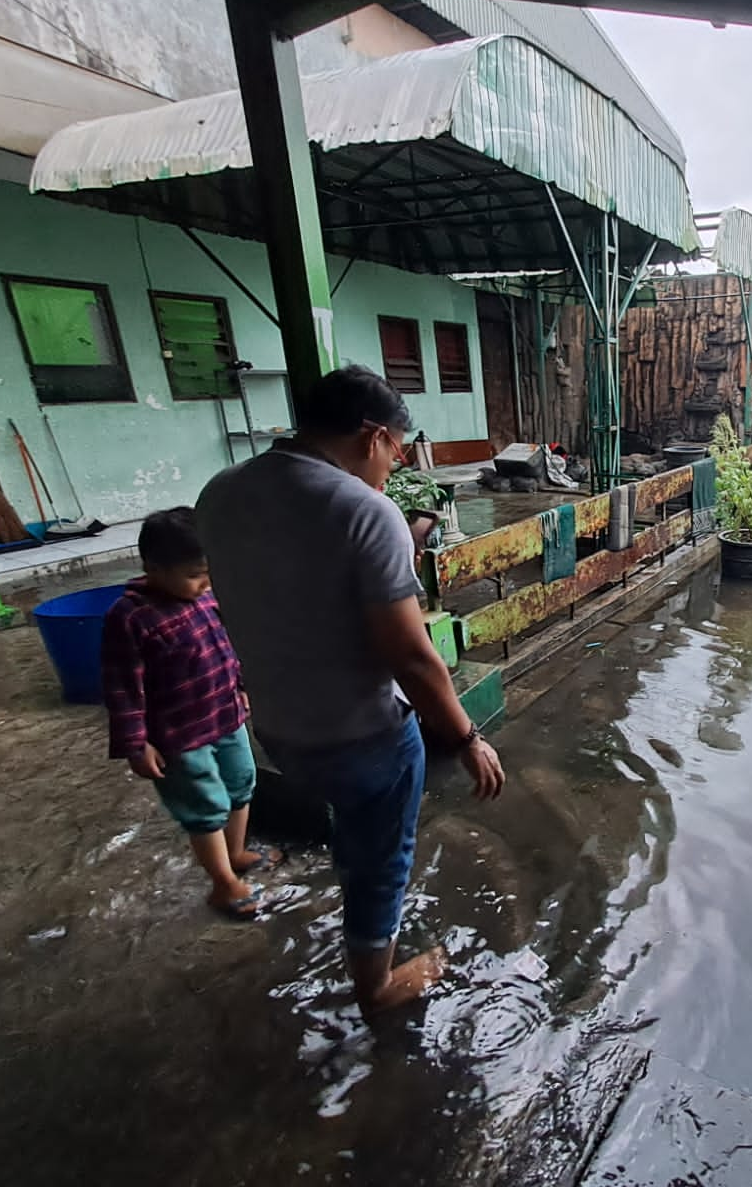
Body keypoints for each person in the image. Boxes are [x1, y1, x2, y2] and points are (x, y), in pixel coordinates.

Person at [197, 365, 505, 1018]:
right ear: (371, 436)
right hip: (362, 735)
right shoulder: (365, 511)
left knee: (350, 825)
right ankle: (377, 988)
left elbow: (277, 593)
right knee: (382, 862)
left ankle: (351, 873)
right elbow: (413, 657)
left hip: (279, 728)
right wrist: (467, 737)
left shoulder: (220, 492)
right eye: (397, 448)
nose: (397, 464)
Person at [102, 506, 274, 919]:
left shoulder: (205, 598)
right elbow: (122, 687)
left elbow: (227, 649)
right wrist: (135, 744)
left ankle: (234, 853)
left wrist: (242, 689)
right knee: (205, 805)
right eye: (195, 574)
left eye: (210, 573)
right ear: (153, 568)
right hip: (179, 736)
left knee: (240, 784)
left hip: (225, 716)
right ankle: (222, 883)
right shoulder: (130, 618)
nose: (205, 583)